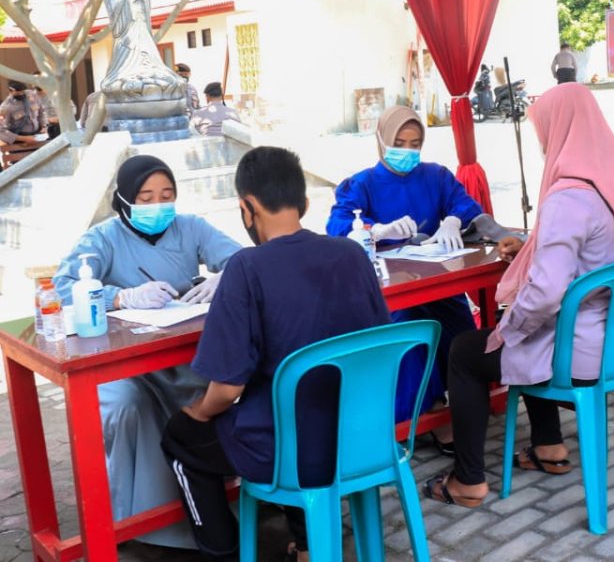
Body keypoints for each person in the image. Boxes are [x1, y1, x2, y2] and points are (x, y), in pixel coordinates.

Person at [162, 146, 390, 561]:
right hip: (361, 436)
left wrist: (199, 412)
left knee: (182, 435)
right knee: (289, 405)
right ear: (303, 203)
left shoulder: (247, 268)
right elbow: (377, 342)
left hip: (289, 451)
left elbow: (228, 386)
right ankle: (308, 545)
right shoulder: (352, 254)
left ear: (247, 207)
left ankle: (222, 552)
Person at [424, 82, 614, 507]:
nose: (542, 141)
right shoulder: (607, 185)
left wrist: (508, 330)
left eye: (543, 129)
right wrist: (530, 249)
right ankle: (548, 447)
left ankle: (467, 479)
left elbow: (545, 294)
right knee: (527, 328)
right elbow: (582, 256)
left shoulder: (568, 198)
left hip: (577, 351)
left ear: (559, 128)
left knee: (470, 349)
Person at [52, 155, 241, 549]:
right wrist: (119, 296)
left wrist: (224, 277)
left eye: (167, 195)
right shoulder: (101, 238)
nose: (158, 205)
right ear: (123, 199)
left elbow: (242, 259)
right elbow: (63, 285)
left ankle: (215, 497)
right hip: (123, 363)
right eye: (146, 196)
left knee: (217, 390)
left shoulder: (190, 227)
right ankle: (131, 518)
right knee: (127, 404)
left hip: (181, 352)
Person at [327, 105, 487, 445]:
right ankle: (427, 408)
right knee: (410, 330)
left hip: (439, 281)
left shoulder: (436, 175)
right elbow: (337, 226)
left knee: (459, 326)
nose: (408, 151)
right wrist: (375, 230)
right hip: (391, 292)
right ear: (383, 140)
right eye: (400, 142)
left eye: (416, 143)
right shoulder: (361, 184)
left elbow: (466, 204)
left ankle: (465, 397)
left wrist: (453, 219)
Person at [0, 80, 46, 145]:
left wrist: (44, 126)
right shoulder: (5, 107)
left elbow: (42, 112)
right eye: (19, 92)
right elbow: (1, 130)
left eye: (23, 91)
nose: (22, 94)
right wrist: (24, 138)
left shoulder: (33, 95)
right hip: (20, 140)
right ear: (10, 91)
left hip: (37, 135)